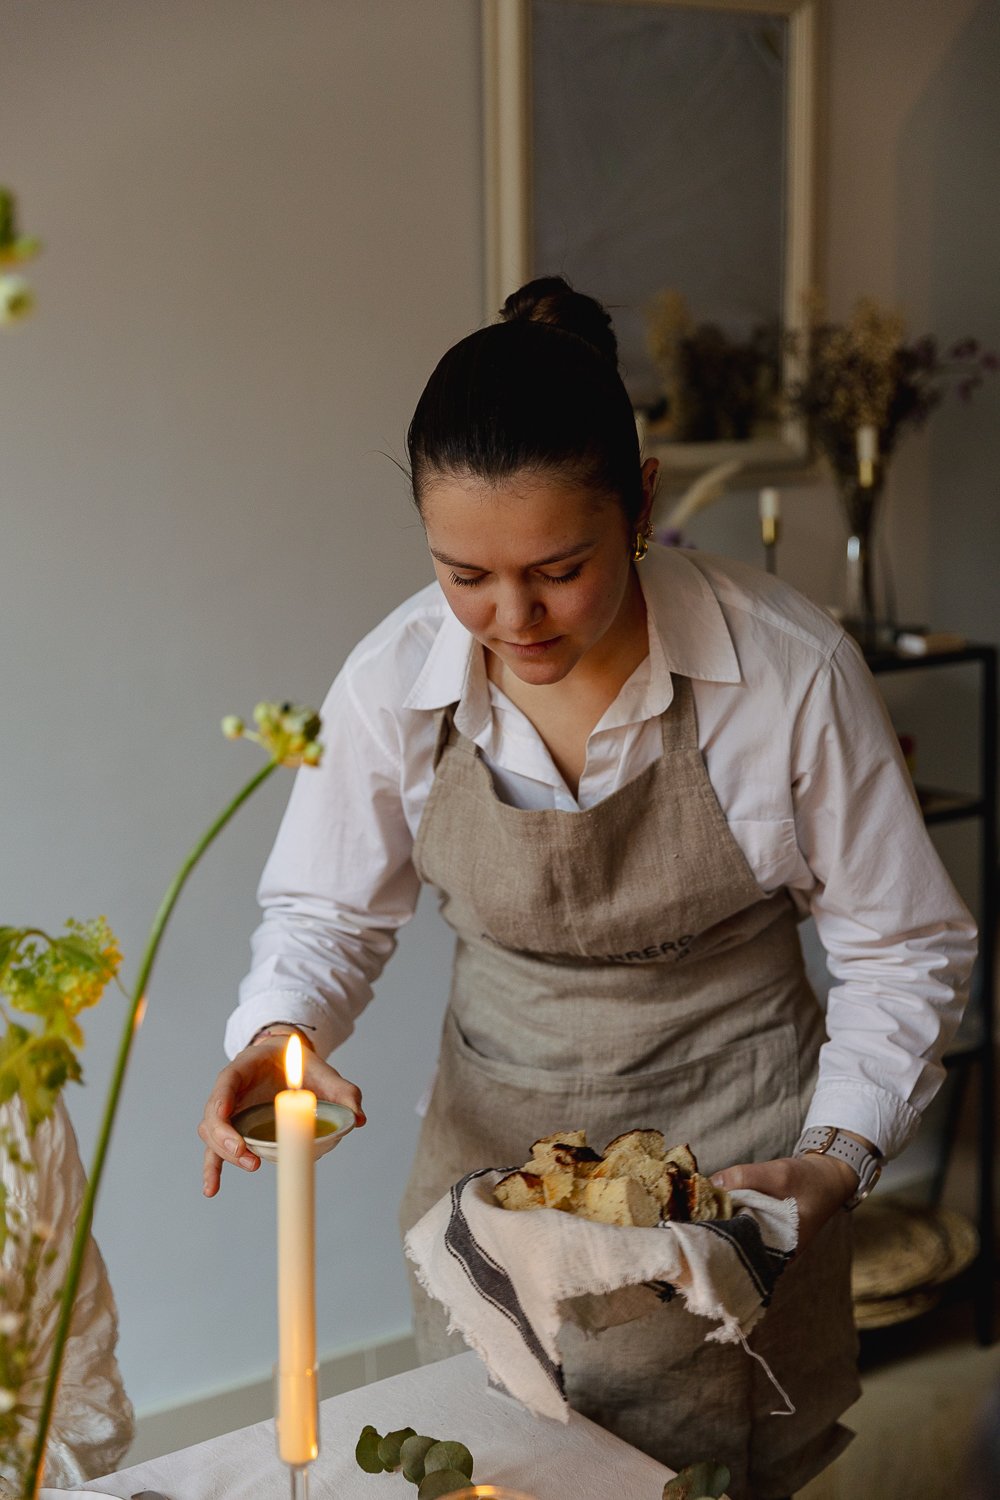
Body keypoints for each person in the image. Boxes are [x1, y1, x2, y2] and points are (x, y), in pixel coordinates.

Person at [198, 278, 975, 1500]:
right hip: (492, 1158)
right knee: (491, 1466)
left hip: (737, 1164)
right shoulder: (392, 680)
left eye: (556, 570)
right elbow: (325, 913)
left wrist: (834, 1160)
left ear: (644, 505)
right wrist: (278, 1032)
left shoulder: (781, 671)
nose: (511, 620)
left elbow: (904, 946)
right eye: (465, 575)